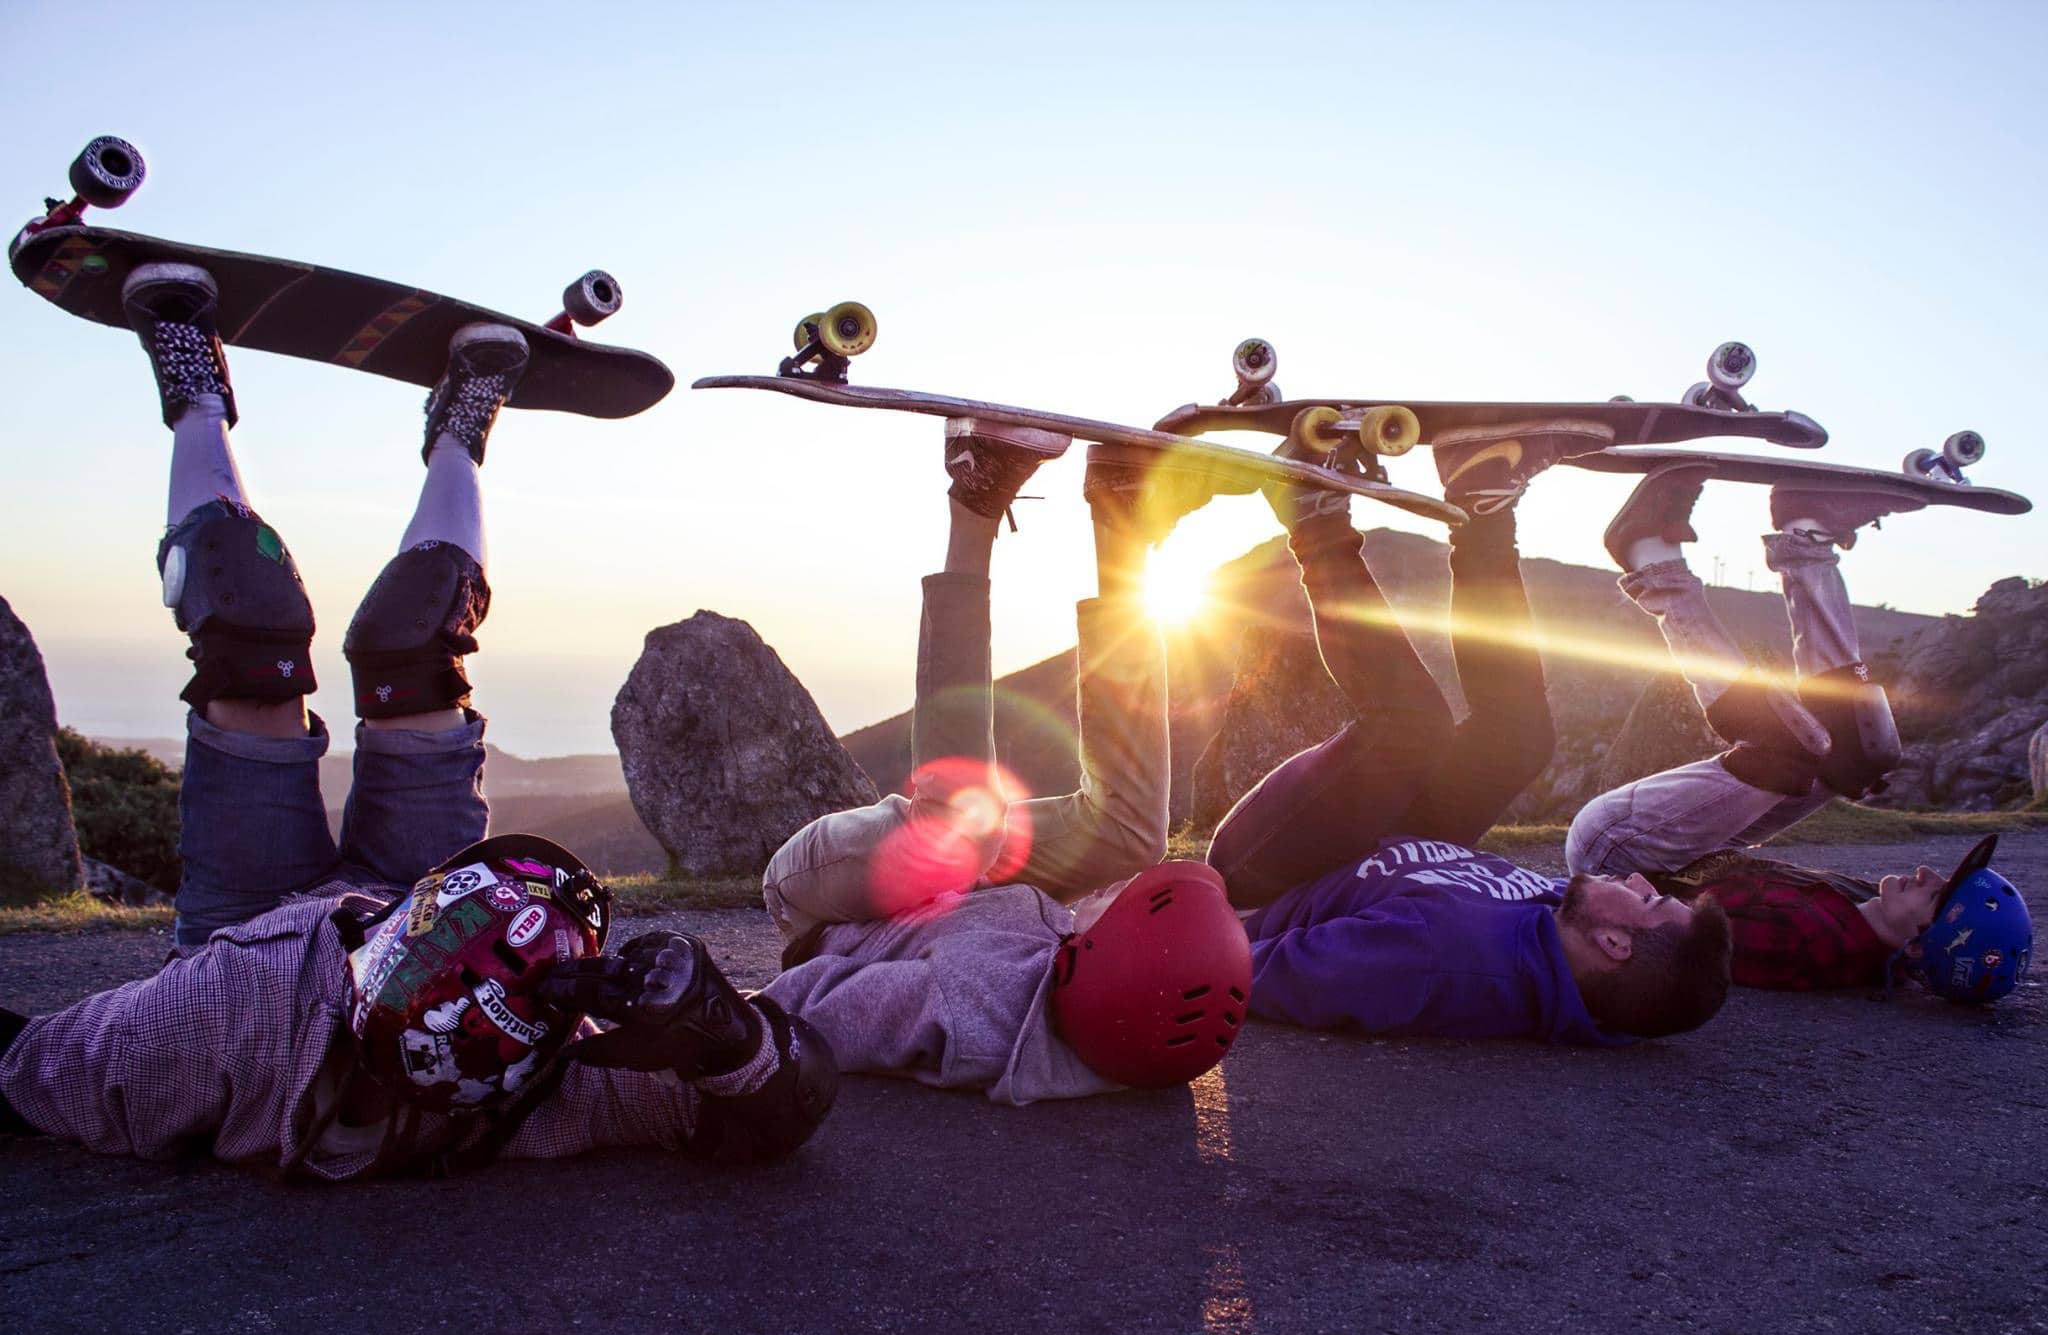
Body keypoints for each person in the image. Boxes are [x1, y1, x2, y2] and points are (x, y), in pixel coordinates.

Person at [0, 264, 836, 1176]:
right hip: (408, 879)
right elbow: (787, 1105)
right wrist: (721, 1030)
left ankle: (195, 394)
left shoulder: (204, 1025)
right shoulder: (549, 1076)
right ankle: (460, 438)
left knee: (247, 613)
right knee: (423, 628)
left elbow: (15, 1067)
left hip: (252, 932)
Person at [758, 423, 1251, 1102]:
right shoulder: (1112, 1007)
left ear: (1104, 959)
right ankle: (1120, 516)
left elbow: (802, 1003)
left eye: (1123, 909)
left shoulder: (968, 1008)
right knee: (1133, 835)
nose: (1116, 892)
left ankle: (973, 500)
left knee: (962, 837)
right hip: (972, 892)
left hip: (821, 896)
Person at [1207, 423, 1734, 1044]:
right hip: (1389, 847)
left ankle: (1311, 516)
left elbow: (1239, 972)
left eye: (1649, 902)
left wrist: (1155, 925)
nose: (1645, 884)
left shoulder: (1432, 962)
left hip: (1269, 872)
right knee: (1521, 738)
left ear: (1615, 944)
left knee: (1411, 728)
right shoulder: (1565, 927)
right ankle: (1482, 502)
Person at [1566, 464, 2032, 1002]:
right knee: (1862, 752)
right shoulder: (1862, 924)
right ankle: (1806, 535)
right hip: (1678, 855)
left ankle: (1648, 555)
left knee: (1790, 748)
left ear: (1919, 943)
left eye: (1937, 896)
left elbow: (1669, 941)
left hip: (1620, 860)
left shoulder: (1810, 947)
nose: (1928, 872)